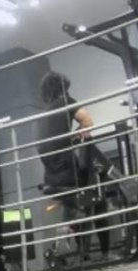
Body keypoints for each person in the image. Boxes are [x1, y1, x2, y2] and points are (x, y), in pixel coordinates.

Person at [37, 72, 105, 260]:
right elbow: (88, 121)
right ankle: (91, 250)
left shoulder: (42, 113)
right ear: (62, 89)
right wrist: (78, 135)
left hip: (50, 176)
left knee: (72, 201)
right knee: (94, 200)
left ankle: (68, 236)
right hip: (69, 172)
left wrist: (72, 139)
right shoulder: (65, 101)